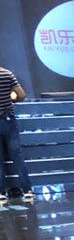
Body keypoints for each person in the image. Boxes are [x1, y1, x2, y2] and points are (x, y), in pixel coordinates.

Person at [0, 65, 34, 206]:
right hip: (8, 119)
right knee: (17, 157)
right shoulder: (7, 73)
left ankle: (1, 193)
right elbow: (21, 95)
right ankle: (27, 190)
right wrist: (12, 99)